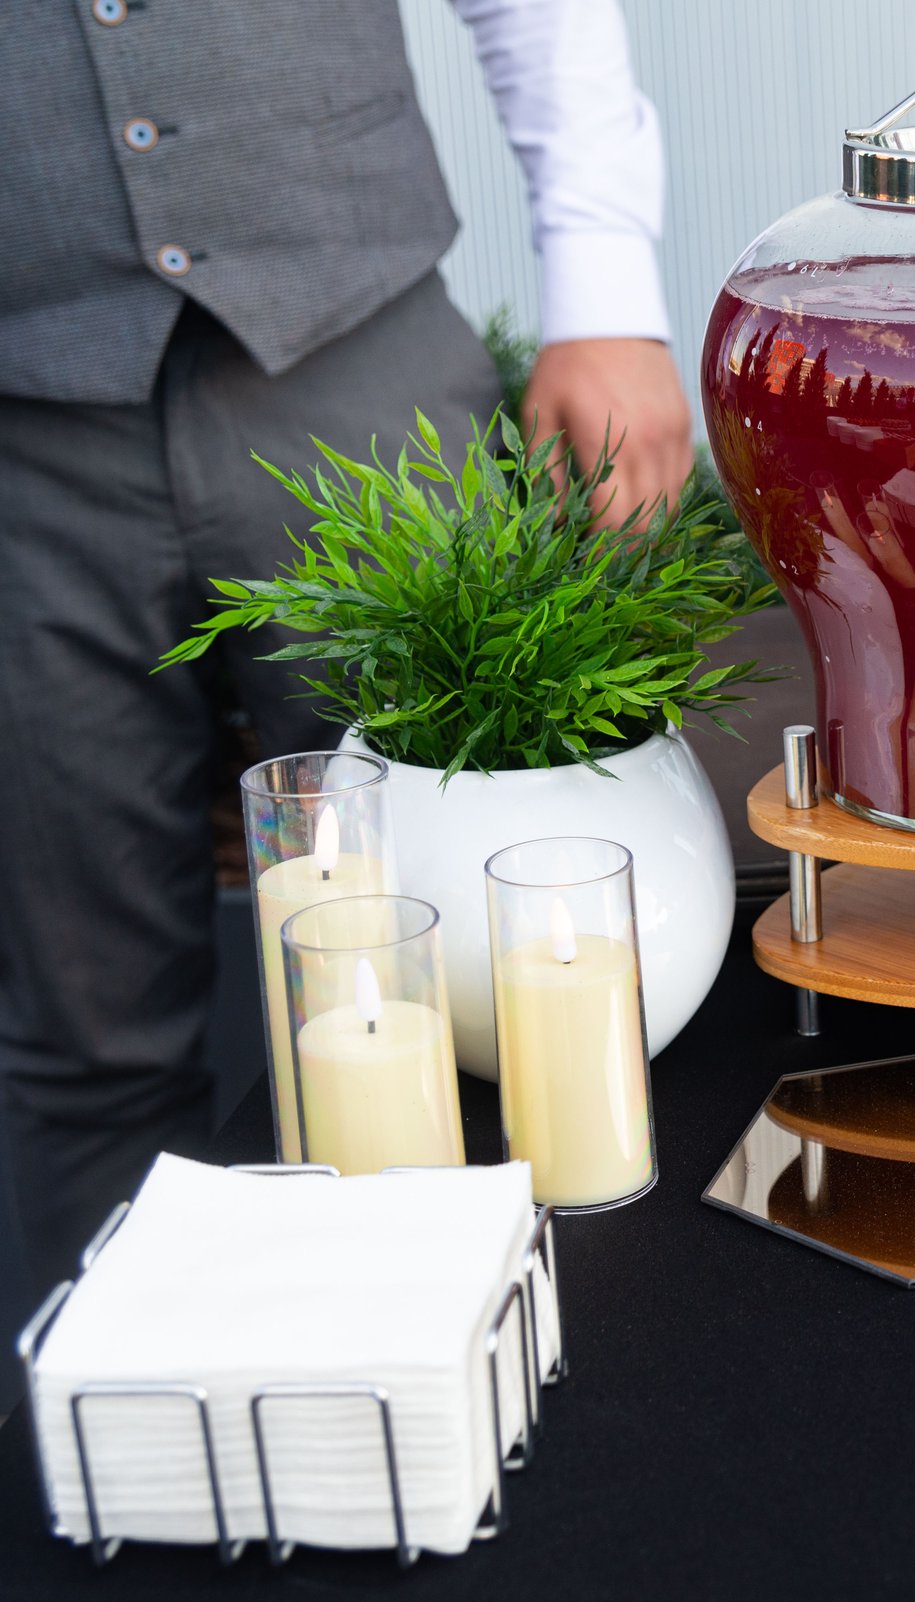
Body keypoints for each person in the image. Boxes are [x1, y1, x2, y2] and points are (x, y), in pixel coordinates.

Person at [0, 0, 689, 1306]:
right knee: (85, 1031)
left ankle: (547, 1377)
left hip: (359, 367)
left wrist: (607, 290)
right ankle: (148, 1415)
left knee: (503, 959)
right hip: (23, 427)